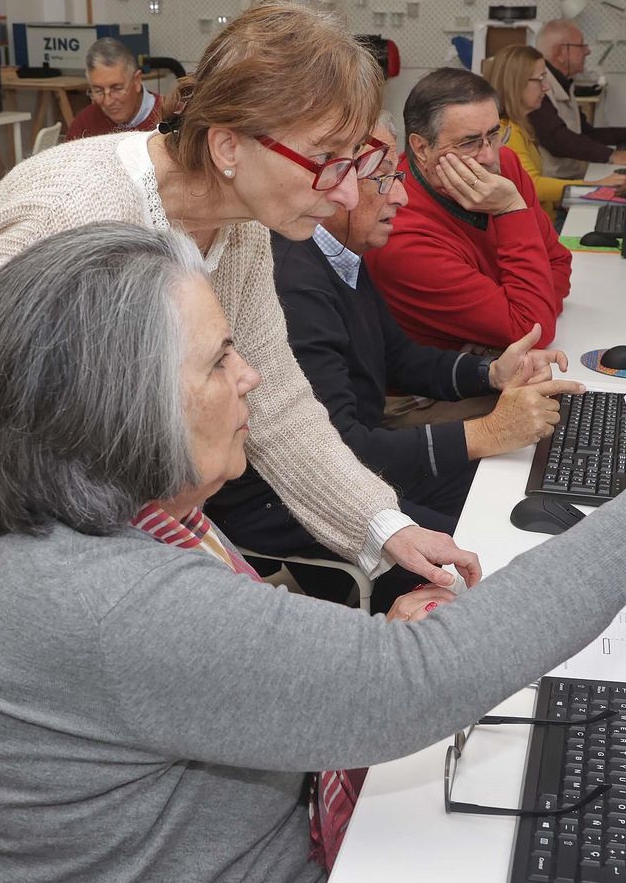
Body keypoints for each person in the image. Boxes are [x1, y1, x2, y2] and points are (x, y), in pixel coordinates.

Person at [0, 222, 626, 881]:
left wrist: (365, 636)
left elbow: (221, 649)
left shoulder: (109, 523)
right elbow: (415, 686)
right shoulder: (106, 598)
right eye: (219, 360)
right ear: (124, 408)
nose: (251, 377)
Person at [0, 2, 479, 700]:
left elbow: (276, 400)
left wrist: (382, 527)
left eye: (356, 163)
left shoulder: (243, 222)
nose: (346, 190)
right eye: (324, 161)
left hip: (125, 542)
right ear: (229, 146)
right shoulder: (66, 212)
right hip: (32, 563)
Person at [210, 113, 580, 610]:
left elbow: (398, 356)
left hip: (361, 469)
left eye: (399, 177)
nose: (402, 197)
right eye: (384, 179)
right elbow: (338, 451)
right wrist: (488, 433)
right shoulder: (292, 282)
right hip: (301, 500)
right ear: (335, 177)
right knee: (506, 560)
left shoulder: (340, 255)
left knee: (529, 498)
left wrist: (490, 373)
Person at [364, 67, 572, 360]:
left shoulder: (506, 166)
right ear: (421, 148)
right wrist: (510, 210)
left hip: (492, 366)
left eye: (494, 135)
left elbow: (560, 263)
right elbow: (532, 330)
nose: (489, 156)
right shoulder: (400, 232)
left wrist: (511, 323)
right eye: (469, 142)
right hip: (437, 395)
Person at [487, 44, 624, 219]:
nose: (546, 87)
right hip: (541, 226)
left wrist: (566, 199)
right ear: (517, 83)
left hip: (547, 217)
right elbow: (533, 185)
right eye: (540, 78)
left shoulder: (522, 124)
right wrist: (594, 186)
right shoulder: (508, 132)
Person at [531, 19, 626, 179]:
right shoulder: (536, 88)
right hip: (555, 187)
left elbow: (587, 134)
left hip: (570, 178)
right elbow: (557, 139)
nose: (587, 51)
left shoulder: (563, 82)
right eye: (581, 45)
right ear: (560, 53)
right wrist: (613, 156)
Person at [65, 37, 162, 140]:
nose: (108, 102)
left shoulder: (171, 117)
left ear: (137, 81)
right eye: (98, 91)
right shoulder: (84, 125)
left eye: (117, 89)